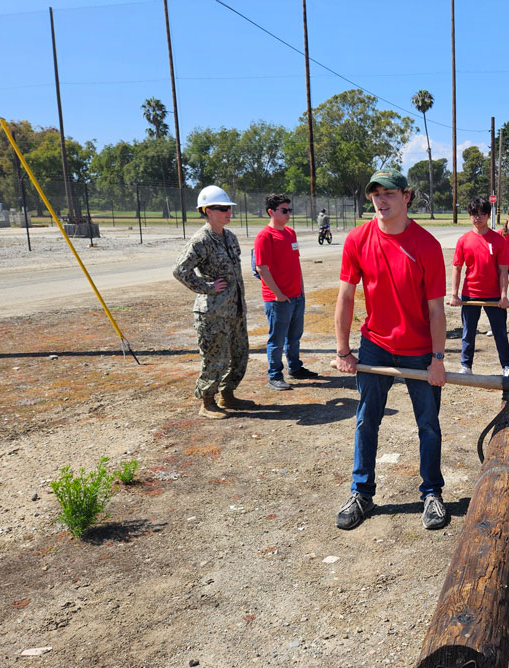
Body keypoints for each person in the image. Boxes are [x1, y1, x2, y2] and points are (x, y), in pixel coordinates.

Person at [334, 168, 449, 531]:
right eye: (375, 194)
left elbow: (435, 310)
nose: (380, 201)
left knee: (428, 425)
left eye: (388, 193)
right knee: (367, 421)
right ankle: (361, 493)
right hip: (375, 347)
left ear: (406, 196)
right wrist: (343, 350)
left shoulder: (426, 245)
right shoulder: (357, 239)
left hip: (419, 350)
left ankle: (431, 493)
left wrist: (438, 359)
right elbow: (346, 296)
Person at [173, 185, 253, 419]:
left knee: (239, 355)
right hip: (213, 313)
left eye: (229, 207)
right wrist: (206, 287)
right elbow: (180, 270)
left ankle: (228, 395)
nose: (228, 212)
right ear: (207, 210)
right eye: (222, 208)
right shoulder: (201, 240)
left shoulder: (229, 237)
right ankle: (207, 402)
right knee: (215, 358)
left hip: (235, 310)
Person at [254, 193, 319, 391]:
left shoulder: (290, 233)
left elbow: (295, 263)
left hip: (296, 296)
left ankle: (295, 368)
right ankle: (274, 375)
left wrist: (301, 290)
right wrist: (278, 295)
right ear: (271, 212)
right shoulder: (265, 236)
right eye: (284, 210)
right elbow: (261, 268)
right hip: (278, 299)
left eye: (289, 210)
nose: (288, 213)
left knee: (294, 336)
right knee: (277, 339)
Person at [450, 197, 509, 377]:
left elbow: (503, 271)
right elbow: (457, 268)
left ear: (488, 215)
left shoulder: (498, 240)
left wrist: (503, 296)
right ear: (470, 216)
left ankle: (506, 366)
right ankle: (466, 366)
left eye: (482, 214)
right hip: (470, 294)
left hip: (494, 295)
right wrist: (454, 294)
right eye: (474, 215)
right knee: (468, 332)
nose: (478, 218)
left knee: (500, 332)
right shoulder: (463, 240)